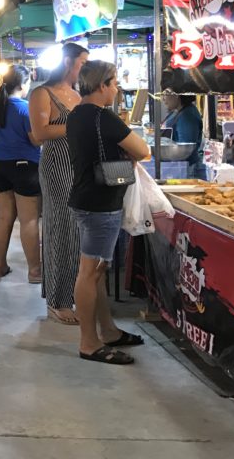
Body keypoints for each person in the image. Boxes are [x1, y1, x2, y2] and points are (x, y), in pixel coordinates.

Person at [66, 61, 150, 364]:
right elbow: (143, 150)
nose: (117, 89)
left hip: (86, 197)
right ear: (102, 85)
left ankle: (108, 331)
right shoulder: (104, 118)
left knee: (96, 271)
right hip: (101, 203)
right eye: (114, 83)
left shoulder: (76, 114)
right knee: (90, 272)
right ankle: (89, 342)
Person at [29, 42, 89, 325]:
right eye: (81, 63)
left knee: (76, 229)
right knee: (60, 227)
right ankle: (58, 299)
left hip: (77, 165)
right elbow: (40, 132)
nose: (84, 69)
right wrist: (81, 126)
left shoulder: (77, 94)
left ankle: (71, 292)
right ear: (68, 62)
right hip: (56, 165)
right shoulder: (42, 93)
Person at [0, 65, 41, 282]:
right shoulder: (25, 109)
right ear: (22, 85)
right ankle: (35, 271)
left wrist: (5, 138)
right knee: (29, 220)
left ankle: (0, 265)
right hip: (25, 166)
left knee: (4, 217)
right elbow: (35, 139)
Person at [163, 91, 205, 179]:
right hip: (178, 165)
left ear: (176, 94)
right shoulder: (178, 111)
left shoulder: (187, 115)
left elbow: (185, 148)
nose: (163, 98)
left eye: (165, 94)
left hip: (186, 168)